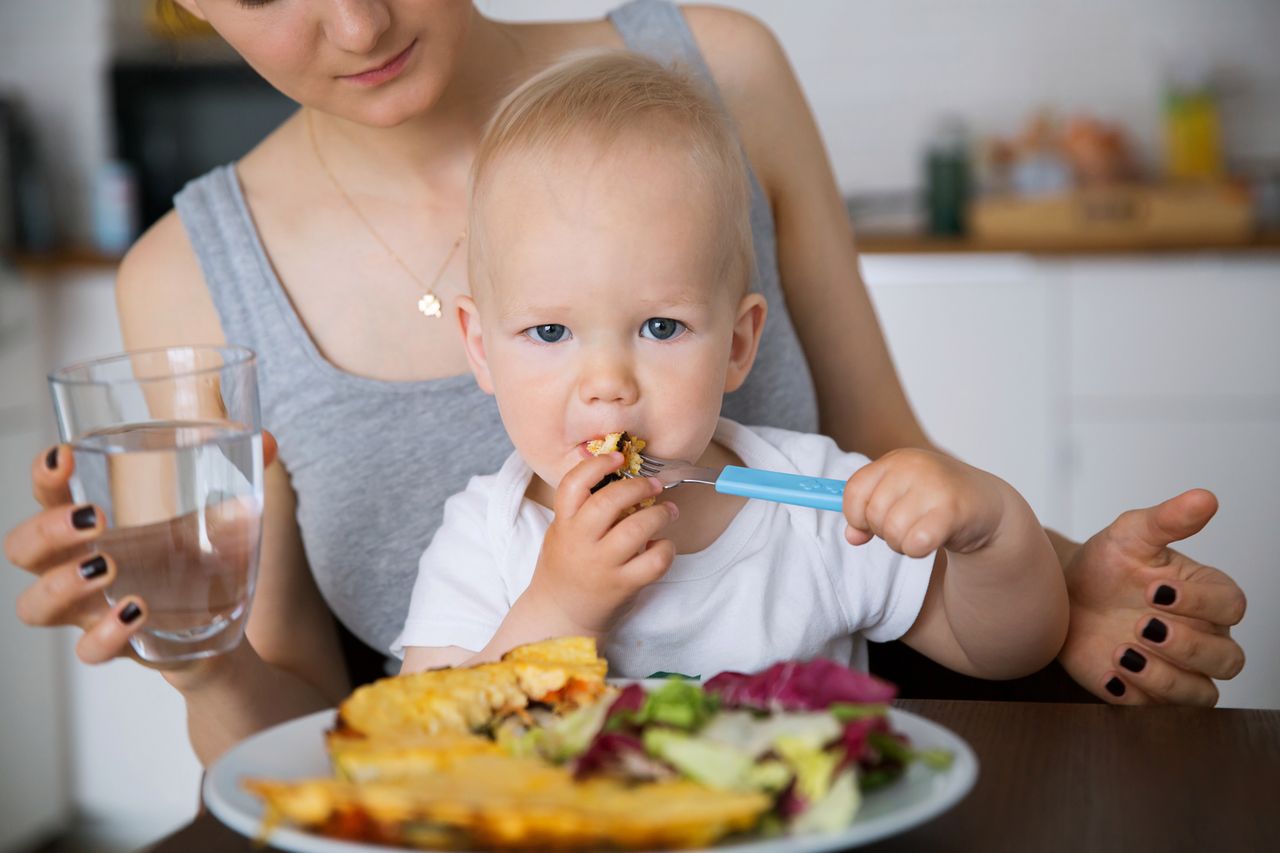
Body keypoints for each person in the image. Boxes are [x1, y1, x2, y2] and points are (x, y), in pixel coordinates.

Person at [3, 1, 1244, 767]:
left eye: (659, 326)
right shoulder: (200, 289)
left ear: (734, 338)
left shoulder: (720, 72)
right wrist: (198, 657)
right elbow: (361, 734)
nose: (356, 23)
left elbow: (892, 485)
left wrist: (1036, 560)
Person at [396, 52, 1069, 682]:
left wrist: (996, 532)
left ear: (739, 345)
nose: (607, 385)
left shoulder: (814, 502)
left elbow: (1009, 650)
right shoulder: (487, 540)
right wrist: (562, 609)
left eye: (661, 327)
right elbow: (428, 741)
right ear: (480, 348)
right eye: (550, 331)